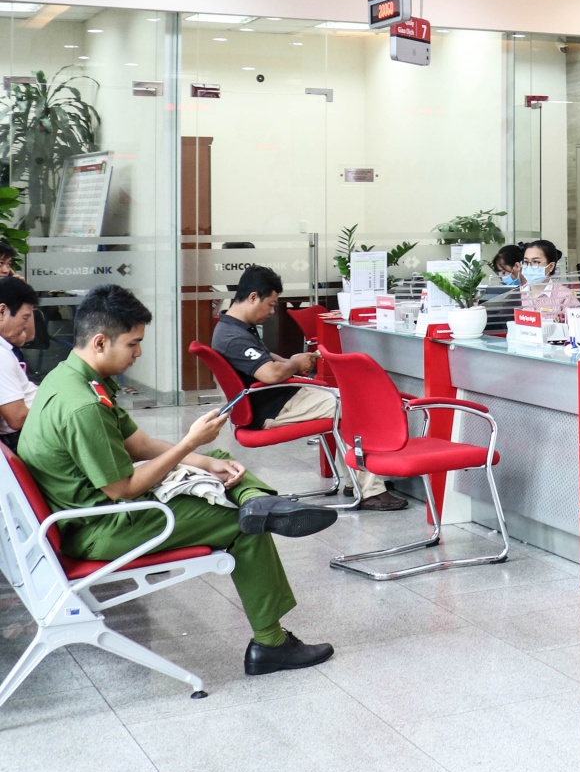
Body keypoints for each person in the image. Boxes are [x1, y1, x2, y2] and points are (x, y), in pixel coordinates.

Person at [19, 285, 337, 675]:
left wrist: (200, 456)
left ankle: (256, 498)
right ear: (100, 342)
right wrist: (189, 441)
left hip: (89, 512)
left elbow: (139, 444)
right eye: (133, 343)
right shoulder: (84, 407)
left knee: (215, 462)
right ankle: (271, 644)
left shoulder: (69, 378)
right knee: (244, 526)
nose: (139, 353)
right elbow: (123, 489)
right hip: (100, 528)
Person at [212, 266, 404, 511]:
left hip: (278, 399)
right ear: (252, 297)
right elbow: (270, 374)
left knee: (346, 401)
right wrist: (293, 364)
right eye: (270, 305)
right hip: (275, 407)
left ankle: (356, 482)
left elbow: (264, 360)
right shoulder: (233, 337)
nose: (272, 312)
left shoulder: (234, 327)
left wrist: (292, 362)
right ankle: (370, 492)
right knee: (354, 408)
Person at [0, 278, 38, 449]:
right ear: (2, 311)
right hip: (23, 436)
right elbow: (17, 419)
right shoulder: (1, 356)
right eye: (25, 318)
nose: (26, 326)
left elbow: (28, 336)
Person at [519, 239, 579, 313]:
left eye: (535, 262)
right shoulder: (517, 294)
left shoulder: (565, 296)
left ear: (551, 266)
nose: (529, 266)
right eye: (525, 262)